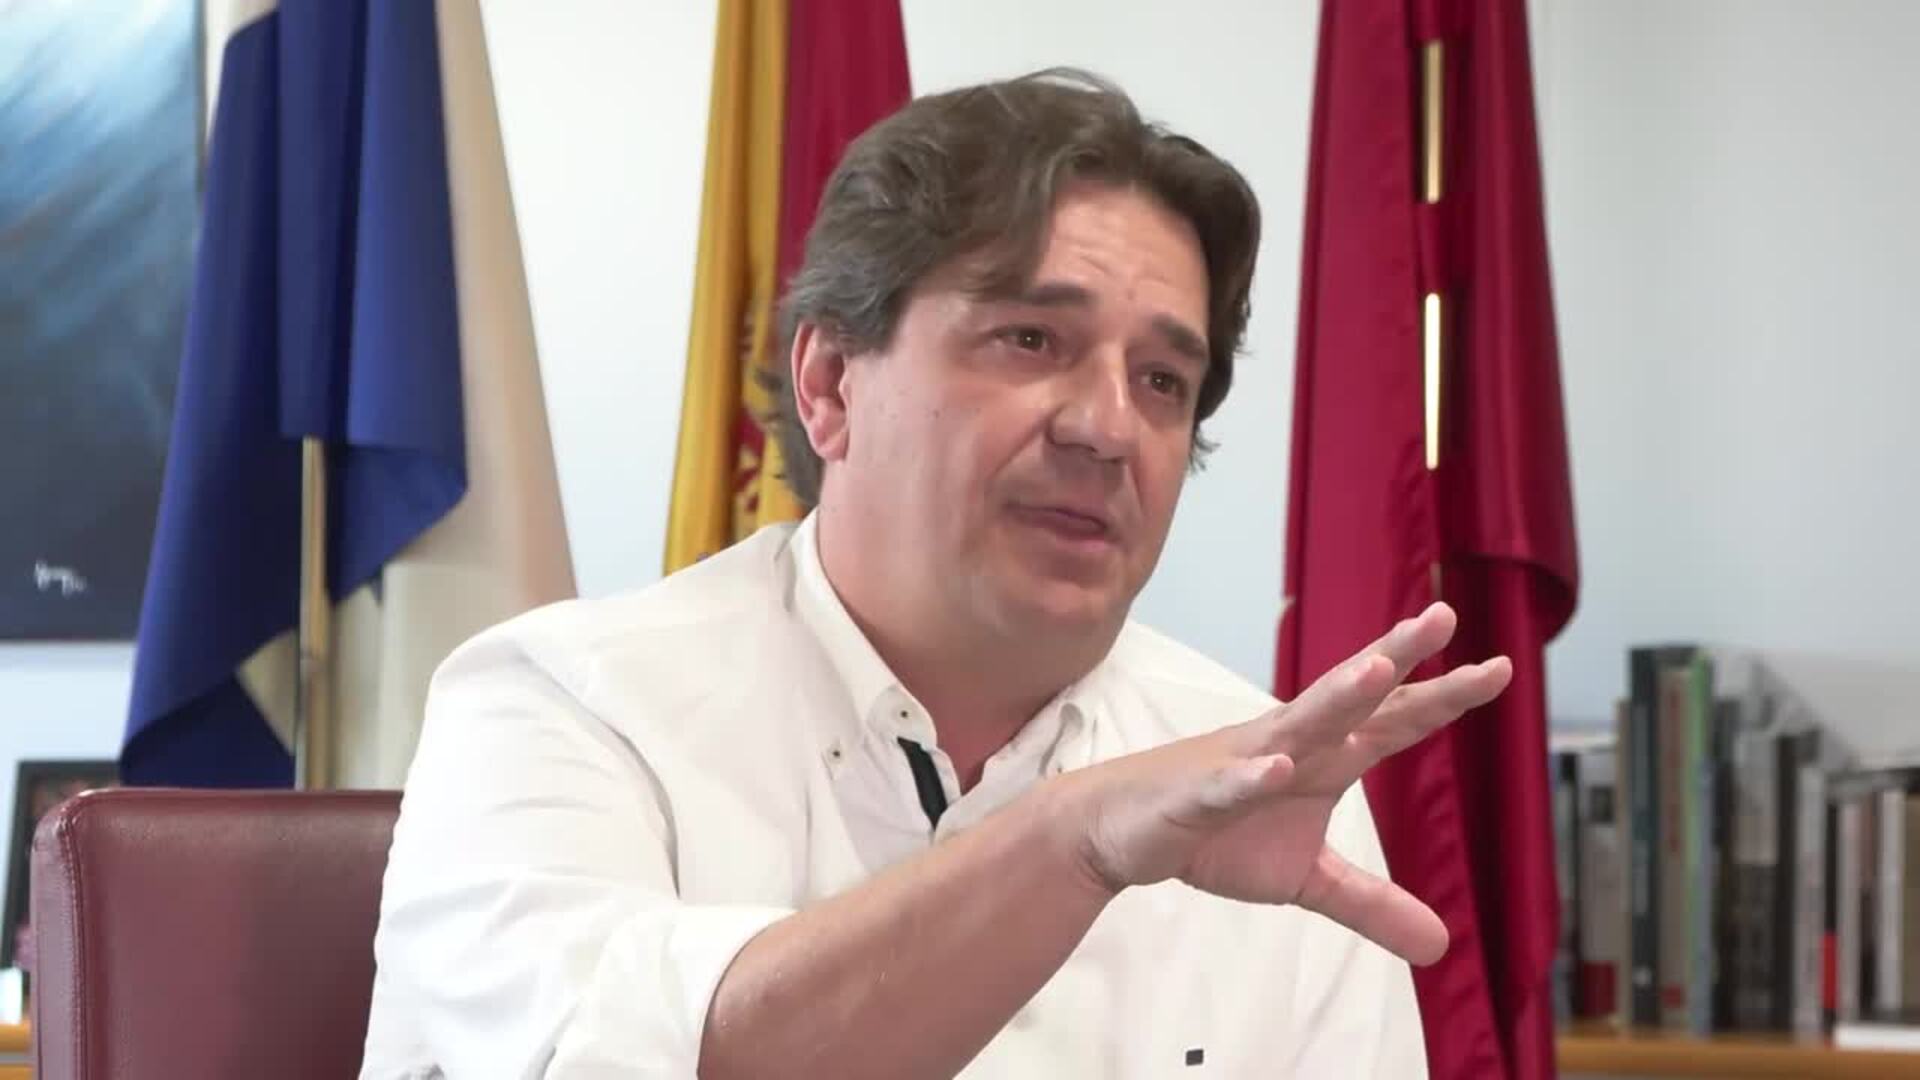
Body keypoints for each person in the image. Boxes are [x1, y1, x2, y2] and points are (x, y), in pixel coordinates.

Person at [359, 69, 1511, 1079]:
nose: (1109, 427)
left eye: (1163, 380)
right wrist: (1072, 844)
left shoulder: (1266, 778)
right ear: (830, 385)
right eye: (1032, 339)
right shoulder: (562, 707)